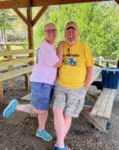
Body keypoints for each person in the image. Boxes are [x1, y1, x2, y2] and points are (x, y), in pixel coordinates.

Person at [3, 23, 62, 142]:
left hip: (46, 82)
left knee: (44, 109)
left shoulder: (50, 46)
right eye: (48, 30)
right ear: (44, 33)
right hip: (41, 82)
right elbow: (58, 63)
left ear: (56, 31)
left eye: (53, 30)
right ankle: (16, 106)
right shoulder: (45, 46)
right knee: (40, 109)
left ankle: (41, 130)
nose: (51, 32)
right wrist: (60, 48)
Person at [52, 21, 95, 150]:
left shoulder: (84, 47)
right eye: (68, 31)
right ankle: (60, 145)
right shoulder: (60, 46)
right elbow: (55, 63)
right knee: (56, 110)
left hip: (77, 88)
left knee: (68, 114)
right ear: (65, 33)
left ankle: (59, 144)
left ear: (77, 33)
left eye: (73, 31)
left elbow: (90, 67)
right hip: (60, 85)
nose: (70, 34)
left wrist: (86, 86)